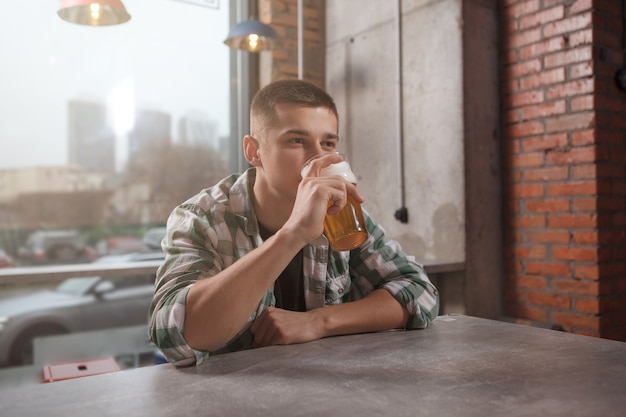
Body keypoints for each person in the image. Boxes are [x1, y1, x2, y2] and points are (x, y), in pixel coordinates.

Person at [149, 79, 439, 367]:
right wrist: (293, 233)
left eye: (328, 143)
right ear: (253, 151)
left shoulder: (339, 209)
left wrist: (318, 322)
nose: (318, 158)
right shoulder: (202, 218)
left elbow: (420, 291)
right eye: (296, 141)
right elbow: (175, 337)